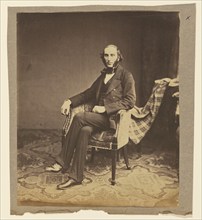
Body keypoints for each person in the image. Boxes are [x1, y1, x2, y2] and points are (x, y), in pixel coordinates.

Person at [46, 44, 136, 189]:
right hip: (97, 119)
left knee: (80, 117)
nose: (109, 59)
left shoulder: (126, 76)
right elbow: (87, 94)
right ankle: (76, 176)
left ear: (118, 56)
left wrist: (105, 108)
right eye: (106, 55)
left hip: (112, 120)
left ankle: (62, 162)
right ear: (103, 57)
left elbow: (130, 101)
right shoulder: (103, 76)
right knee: (84, 131)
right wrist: (69, 101)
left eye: (112, 55)